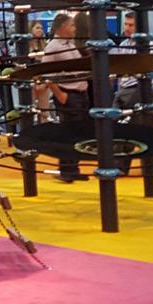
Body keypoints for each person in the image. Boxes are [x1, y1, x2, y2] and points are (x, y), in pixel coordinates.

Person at [35, 12, 89, 182]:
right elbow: (46, 74)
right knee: (69, 133)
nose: (75, 28)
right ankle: (66, 170)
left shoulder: (71, 44)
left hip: (80, 93)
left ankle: (73, 168)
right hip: (68, 95)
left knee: (79, 133)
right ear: (62, 27)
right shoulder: (53, 47)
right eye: (72, 25)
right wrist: (60, 95)